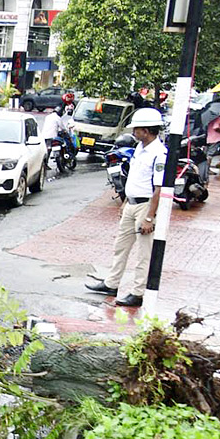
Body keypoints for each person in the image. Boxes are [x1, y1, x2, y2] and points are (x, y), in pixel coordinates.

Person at [85, 108, 169, 307]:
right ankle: (111, 283)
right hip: (132, 203)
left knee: (143, 253)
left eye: (137, 129)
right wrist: (125, 201)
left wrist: (150, 217)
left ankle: (138, 292)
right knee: (121, 246)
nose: (133, 132)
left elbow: (158, 188)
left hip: (145, 206)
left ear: (146, 130)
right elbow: (135, 178)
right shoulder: (140, 148)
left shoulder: (159, 154)